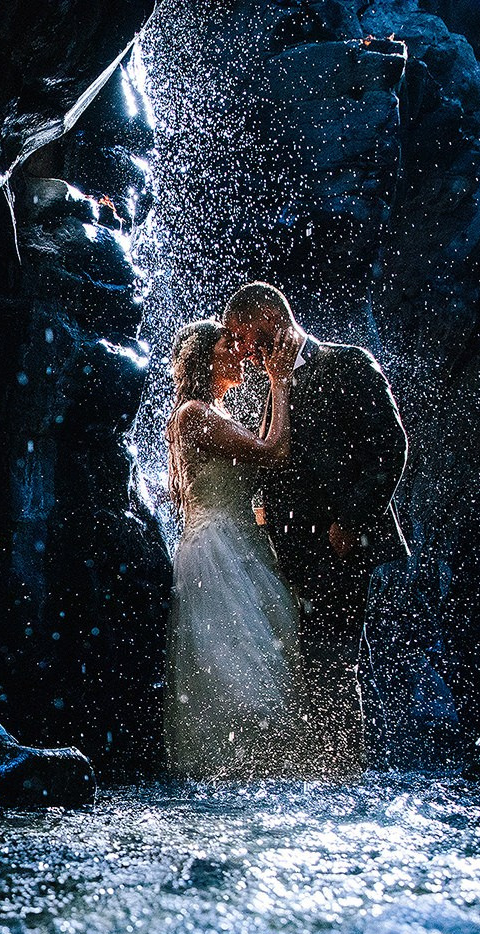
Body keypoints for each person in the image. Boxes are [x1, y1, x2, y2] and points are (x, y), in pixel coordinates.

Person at [218, 282, 408, 771]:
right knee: (309, 665)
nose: (244, 350)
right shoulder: (272, 386)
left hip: (341, 547)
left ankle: (344, 779)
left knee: (334, 664)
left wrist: (349, 522)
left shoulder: (347, 363)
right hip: (288, 552)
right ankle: (326, 773)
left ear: (269, 317)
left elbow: (391, 446)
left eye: (244, 335)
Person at [164, 319, 303, 777]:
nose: (242, 351)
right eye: (231, 343)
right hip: (216, 553)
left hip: (241, 545)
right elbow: (274, 452)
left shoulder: (216, 414)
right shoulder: (193, 414)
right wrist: (279, 382)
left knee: (258, 668)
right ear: (206, 357)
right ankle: (234, 783)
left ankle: (262, 779)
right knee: (240, 679)